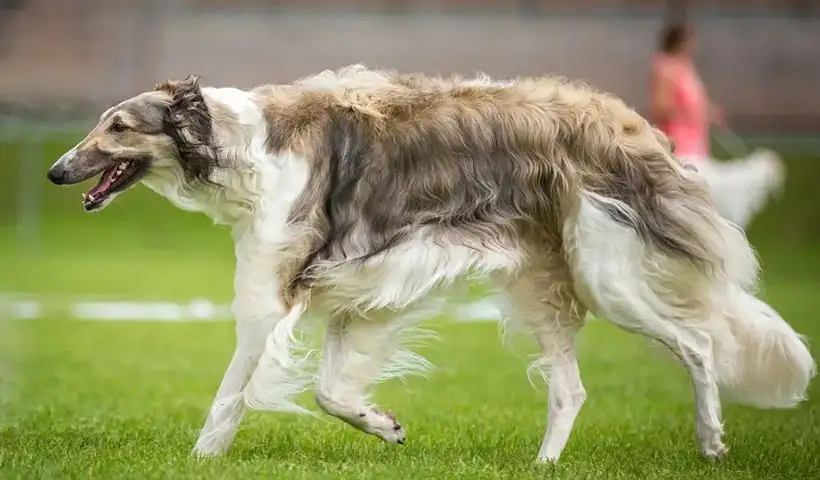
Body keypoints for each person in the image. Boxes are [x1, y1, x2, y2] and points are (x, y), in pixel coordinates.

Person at [650, 21, 785, 229]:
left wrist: (709, 113)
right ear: (680, 41)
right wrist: (693, 114)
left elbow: (694, 103)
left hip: (696, 142)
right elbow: (661, 109)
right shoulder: (666, 69)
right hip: (679, 144)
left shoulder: (686, 68)